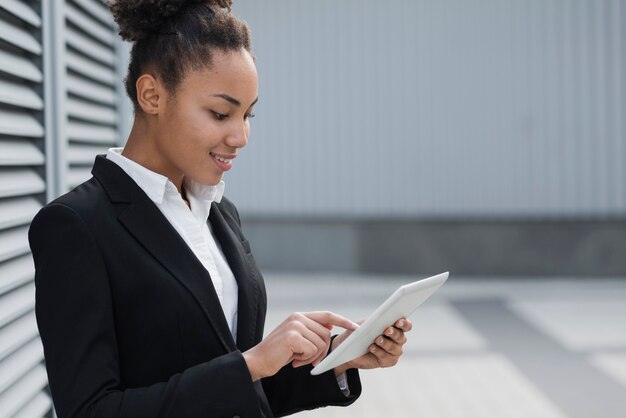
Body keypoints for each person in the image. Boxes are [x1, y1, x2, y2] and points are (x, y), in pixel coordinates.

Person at [28, 1, 413, 417]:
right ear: (152, 95)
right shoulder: (76, 226)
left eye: (248, 114)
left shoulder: (219, 213)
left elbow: (244, 391)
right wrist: (250, 363)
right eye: (220, 113)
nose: (241, 135)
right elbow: (89, 410)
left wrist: (338, 358)